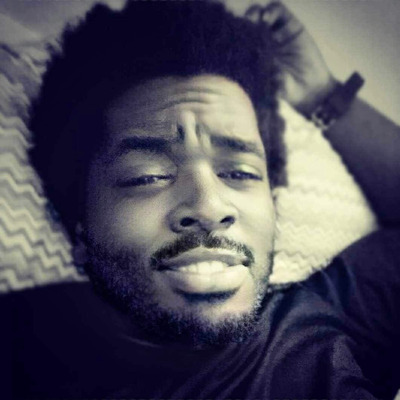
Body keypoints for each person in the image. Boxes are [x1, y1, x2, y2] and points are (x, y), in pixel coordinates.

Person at [1, 1, 400, 399]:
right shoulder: (20, 349)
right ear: (80, 232)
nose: (210, 207)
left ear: (273, 205)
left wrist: (322, 94)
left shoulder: (321, 318)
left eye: (239, 173)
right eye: (148, 176)